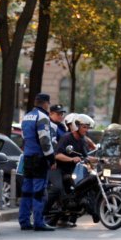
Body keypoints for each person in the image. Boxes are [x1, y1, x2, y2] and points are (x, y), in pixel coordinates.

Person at [18, 92, 56, 231]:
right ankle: (39, 222)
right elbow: (45, 140)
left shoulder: (27, 116)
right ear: (46, 103)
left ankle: (24, 221)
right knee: (39, 191)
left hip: (27, 157)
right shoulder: (43, 117)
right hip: (39, 158)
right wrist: (51, 158)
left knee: (27, 190)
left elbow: (24, 137)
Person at [49, 114, 94, 227]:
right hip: (58, 169)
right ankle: (42, 213)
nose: (86, 130)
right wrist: (71, 159)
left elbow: (86, 156)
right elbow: (57, 155)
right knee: (57, 188)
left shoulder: (83, 140)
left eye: (87, 127)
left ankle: (67, 217)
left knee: (77, 191)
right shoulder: (66, 137)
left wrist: (100, 159)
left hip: (71, 172)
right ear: (77, 126)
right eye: (84, 127)